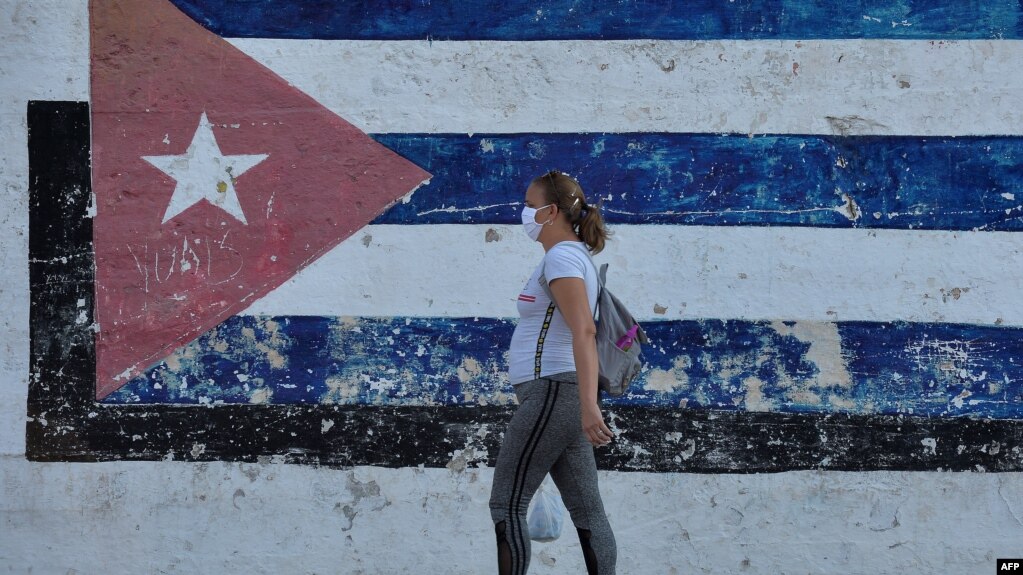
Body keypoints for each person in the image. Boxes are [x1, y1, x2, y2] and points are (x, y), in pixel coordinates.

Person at [488, 170, 617, 574]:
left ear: (552, 211)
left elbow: (584, 329)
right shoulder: (571, 256)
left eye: (530, 205)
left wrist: (588, 405)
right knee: (586, 509)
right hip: (559, 394)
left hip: (553, 392)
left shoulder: (562, 256)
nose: (525, 213)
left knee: (507, 502)